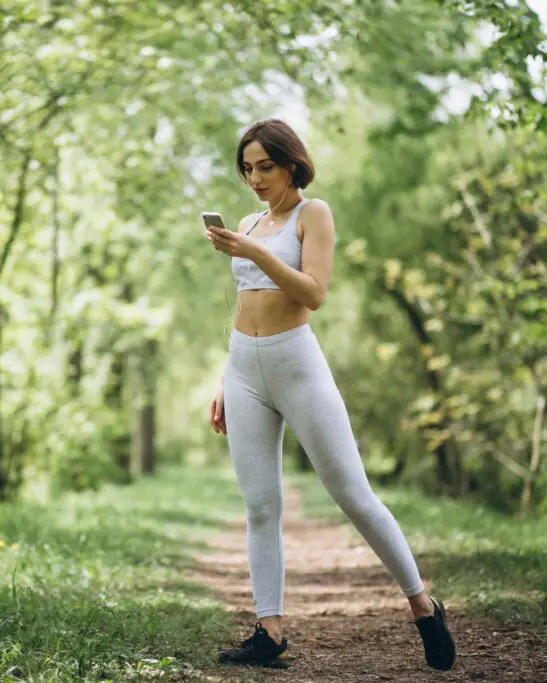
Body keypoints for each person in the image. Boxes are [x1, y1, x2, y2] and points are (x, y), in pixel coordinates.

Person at [204, 118, 457, 671]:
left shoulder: (311, 215)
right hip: (244, 367)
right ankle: (269, 631)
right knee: (259, 505)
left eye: (265, 166)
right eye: (247, 168)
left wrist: (253, 249)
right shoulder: (248, 220)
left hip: (297, 365)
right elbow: (245, 298)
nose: (255, 178)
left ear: (292, 163)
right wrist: (225, 376)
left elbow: (313, 293)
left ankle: (422, 605)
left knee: (352, 493)